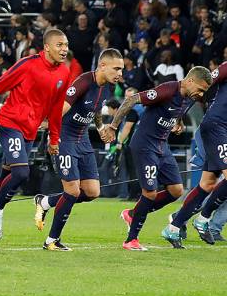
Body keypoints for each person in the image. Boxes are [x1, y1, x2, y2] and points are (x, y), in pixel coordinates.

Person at [0, 28, 71, 251]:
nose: (64, 49)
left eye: (66, 45)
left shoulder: (64, 73)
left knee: (4, 180)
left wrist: (54, 139)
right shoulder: (27, 64)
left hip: (29, 131)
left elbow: (56, 109)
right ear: (46, 47)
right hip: (9, 123)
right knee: (21, 172)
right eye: (59, 45)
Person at [101, 67, 212, 250]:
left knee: (176, 191)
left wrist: (178, 123)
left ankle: (132, 213)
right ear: (190, 81)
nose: (201, 94)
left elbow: (176, 112)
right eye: (200, 89)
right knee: (149, 193)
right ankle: (131, 240)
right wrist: (113, 127)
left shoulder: (189, 98)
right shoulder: (167, 90)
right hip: (145, 145)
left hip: (162, 147)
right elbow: (131, 99)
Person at [33, 49, 123, 251]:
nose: (120, 74)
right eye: (117, 68)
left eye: (121, 69)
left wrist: (100, 128)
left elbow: (96, 109)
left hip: (83, 140)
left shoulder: (107, 87)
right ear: (102, 66)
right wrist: (48, 129)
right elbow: (61, 108)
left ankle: (45, 202)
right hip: (65, 138)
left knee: (92, 192)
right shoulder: (83, 82)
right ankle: (51, 241)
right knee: (72, 190)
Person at [162, 58, 227, 245]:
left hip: (223, 131)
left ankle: (173, 227)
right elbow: (198, 88)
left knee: (207, 184)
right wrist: (179, 115)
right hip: (216, 127)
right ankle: (203, 219)